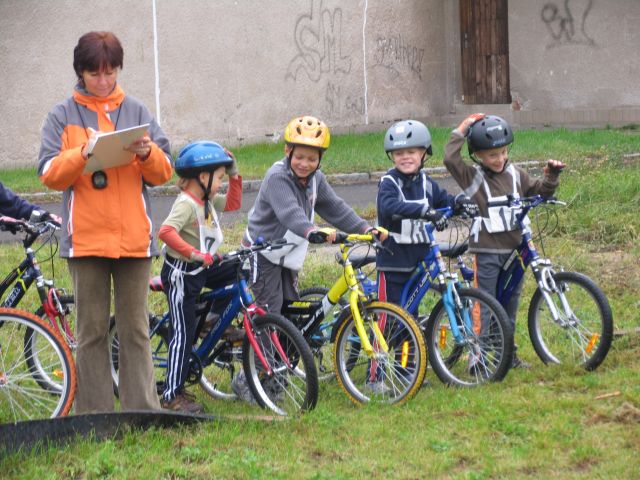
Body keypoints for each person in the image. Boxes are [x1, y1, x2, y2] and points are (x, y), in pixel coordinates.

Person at [37, 31, 173, 413]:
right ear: (80, 72)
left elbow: (165, 170)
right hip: (86, 241)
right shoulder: (61, 115)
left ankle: (142, 412)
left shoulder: (138, 111)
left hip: (134, 241)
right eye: (95, 73)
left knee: (136, 330)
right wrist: (83, 153)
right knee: (91, 333)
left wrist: (147, 153)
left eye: (110, 72)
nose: (103, 80)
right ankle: (94, 415)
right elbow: (48, 173)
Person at [444, 113, 565, 368]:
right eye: (492, 155)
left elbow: (539, 192)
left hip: (515, 251)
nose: (499, 159)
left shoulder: (515, 174)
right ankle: (478, 356)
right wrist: (463, 128)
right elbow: (450, 159)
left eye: (503, 152)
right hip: (487, 251)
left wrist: (551, 176)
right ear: (478, 154)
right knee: (485, 304)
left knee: (510, 304)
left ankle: (507, 355)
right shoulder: (473, 177)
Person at [243, 115, 386, 315]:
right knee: (271, 310)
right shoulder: (277, 177)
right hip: (263, 250)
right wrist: (312, 231)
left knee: (291, 307)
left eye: (312, 159)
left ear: (320, 159)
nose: (304, 164)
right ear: (288, 151)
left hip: (287, 252)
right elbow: (290, 213)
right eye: (299, 157)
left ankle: (288, 336)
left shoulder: (315, 179)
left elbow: (335, 207)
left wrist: (366, 228)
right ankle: (265, 336)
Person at [158, 141, 242, 413]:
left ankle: (212, 320)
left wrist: (234, 175)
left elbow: (234, 203)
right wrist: (194, 253)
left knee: (238, 268)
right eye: (219, 178)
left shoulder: (206, 201)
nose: (221, 183)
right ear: (203, 178)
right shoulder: (186, 203)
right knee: (182, 335)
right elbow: (166, 232)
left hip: (200, 269)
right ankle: (171, 396)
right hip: (182, 274)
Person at [376, 119, 472, 307]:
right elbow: (389, 206)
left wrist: (460, 203)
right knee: (391, 316)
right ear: (392, 156)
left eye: (411, 152)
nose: (405, 157)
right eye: (399, 153)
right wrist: (425, 211)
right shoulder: (389, 182)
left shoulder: (426, 183)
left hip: (419, 261)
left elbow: (444, 200)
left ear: (424, 153)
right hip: (393, 264)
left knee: (411, 314)